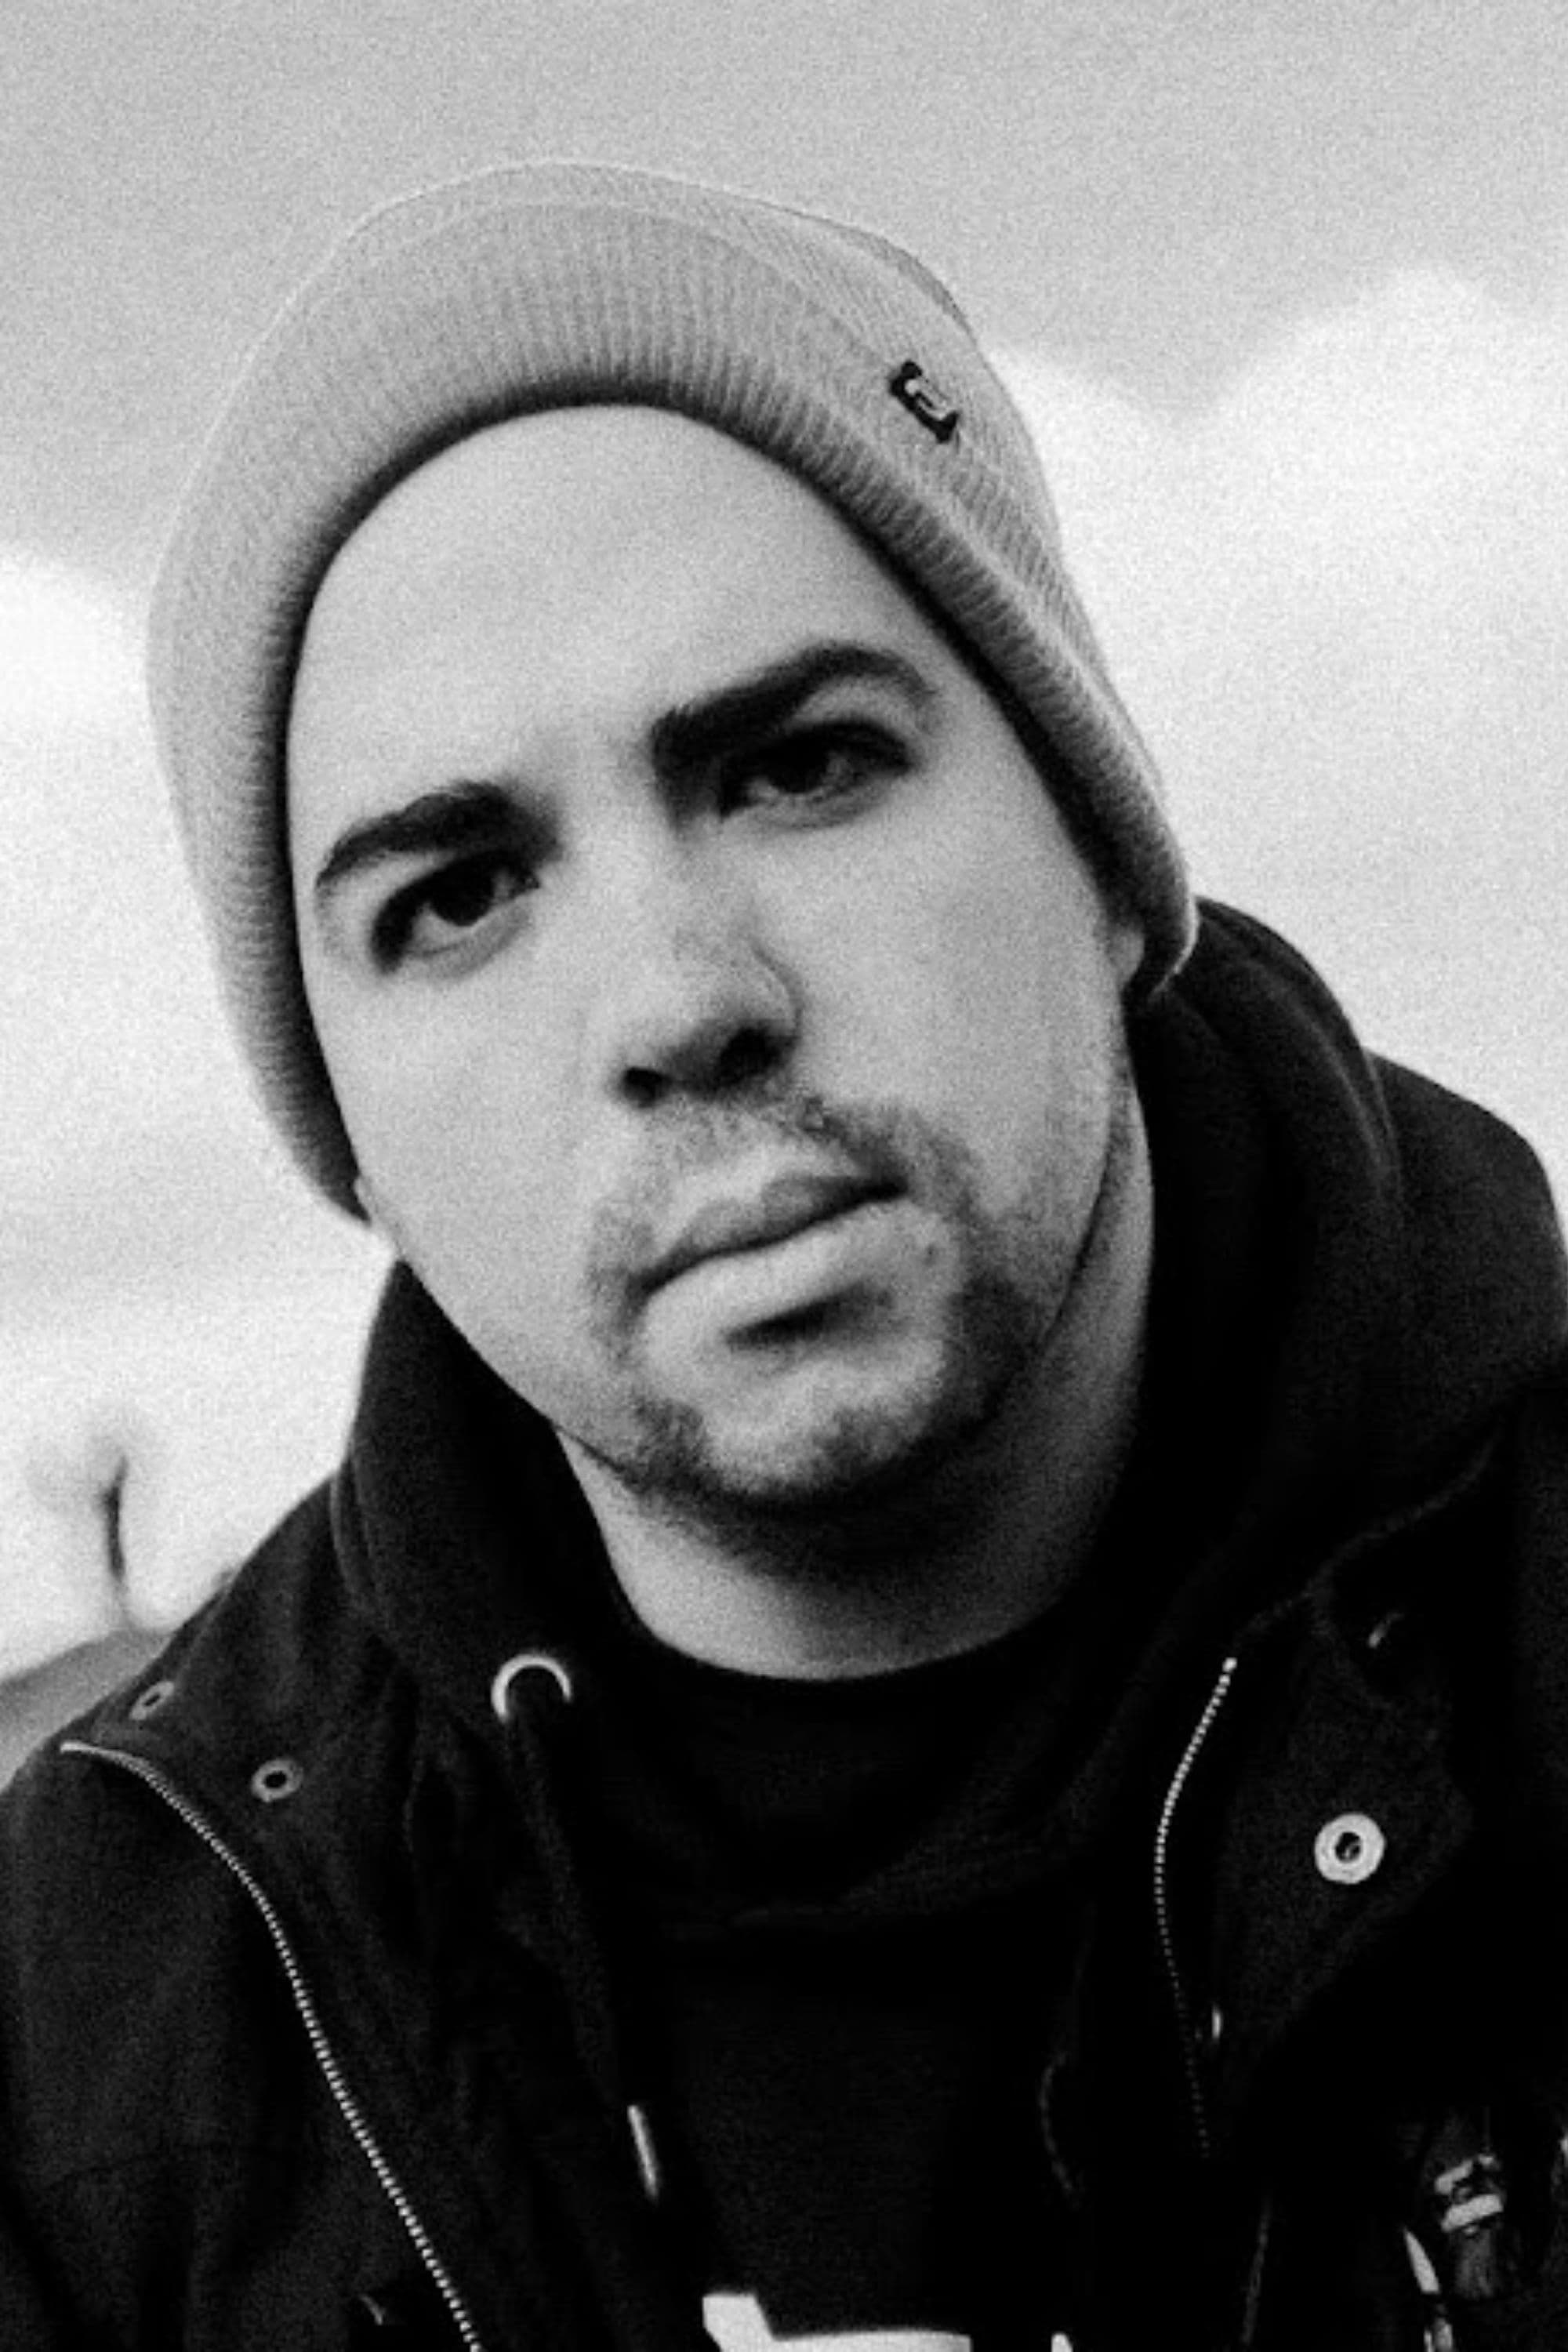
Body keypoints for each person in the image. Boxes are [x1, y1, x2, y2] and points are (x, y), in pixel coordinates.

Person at [1, 162, 1565, 2352]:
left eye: (802, 765)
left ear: (1104, 851)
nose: (679, 1000)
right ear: (344, 1124)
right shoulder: (90, 2030)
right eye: (456, 897)